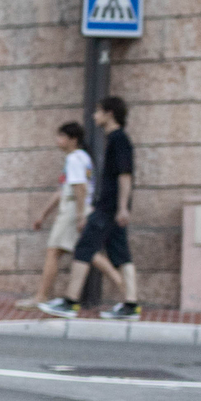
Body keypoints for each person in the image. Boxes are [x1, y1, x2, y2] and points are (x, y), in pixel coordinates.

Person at [44, 96, 140, 319]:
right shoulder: (114, 139)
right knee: (121, 255)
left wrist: (123, 207)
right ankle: (131, 305)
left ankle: (70, 302)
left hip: (109, 207)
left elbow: (125, 175)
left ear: (109, 114)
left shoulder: (119, 140)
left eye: (98, 111)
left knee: (84, 248)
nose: (94, 116)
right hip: (112, 208)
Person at [27, 121, 91, 310]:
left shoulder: (74, 159)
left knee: (54, 250)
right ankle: (127, 290)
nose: (58, 140)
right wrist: (43, 214)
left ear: (73, 139)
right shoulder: (80, 158)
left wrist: (80, 215)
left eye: (62, 136)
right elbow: (62, 190)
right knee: (89, 252)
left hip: (73, 209)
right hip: (73, 208)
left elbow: (80, 188)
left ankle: (42, 296)